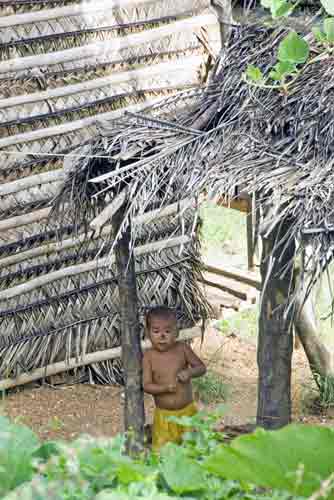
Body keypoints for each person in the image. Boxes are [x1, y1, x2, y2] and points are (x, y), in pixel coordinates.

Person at [143, 306, 206, 451]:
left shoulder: (183, 349)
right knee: (163, 454)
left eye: (167, 331)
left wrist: (189, 373)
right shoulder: (149, 357)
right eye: (156, 331)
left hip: (187, 413)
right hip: (164, 417)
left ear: (176, 332)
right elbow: (146, 385)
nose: (162, 336)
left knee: (193, 450)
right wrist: (164, 388)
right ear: (148, 333)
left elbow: (201, 368)